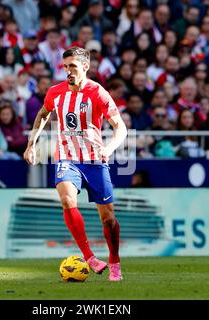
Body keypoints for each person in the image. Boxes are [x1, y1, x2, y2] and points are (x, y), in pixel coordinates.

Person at [23, 47, 127, 281]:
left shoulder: (97, 93)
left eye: (73, 67)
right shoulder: (55, 93)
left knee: (108, 218)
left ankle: (114, 262)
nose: (68, 71)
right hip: (67, 158)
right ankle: (89, 257)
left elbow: (121, 127)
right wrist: (31, 144)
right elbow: (42, 114)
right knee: (67, 199)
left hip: (94, 160)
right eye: (65, 66)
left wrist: (108, 148)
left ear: (86, 67)